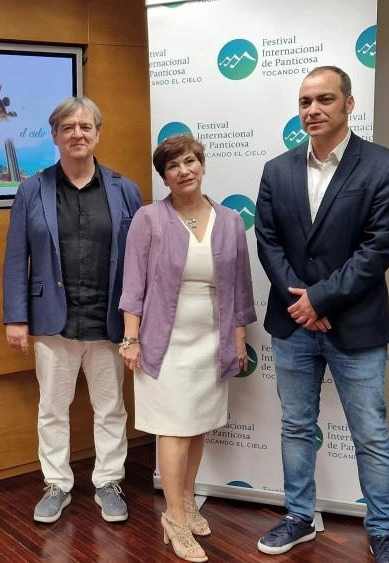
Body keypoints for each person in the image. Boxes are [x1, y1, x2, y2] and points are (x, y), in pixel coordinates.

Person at [254, 66, 389, 563]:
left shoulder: (385, 166)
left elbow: (378, 248)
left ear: (348, 104)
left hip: (356, 325)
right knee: (296, 426)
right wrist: (301, 304)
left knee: (371, 435)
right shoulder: (277, 169)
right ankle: (299, 517)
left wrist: (319, 300)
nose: (313, 110)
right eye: (305, 101)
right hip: (293, 325)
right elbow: (268, 242)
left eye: (325, 99)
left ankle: (382, 532)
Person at [3, 96, 143, 524]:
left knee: (111, 408)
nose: (77, 134)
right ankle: (57, 484)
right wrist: (16, 317)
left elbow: (139, 261)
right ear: (55, 136)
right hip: (52, 320)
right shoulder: (32, 189)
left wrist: (137, 323)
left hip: (108, 318)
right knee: (52, 408)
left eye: (85, 127)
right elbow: (16, 256)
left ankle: (109, 481)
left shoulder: (125, 189)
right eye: (68, 128)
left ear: (97, 133)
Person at [119, 134, 256, 562]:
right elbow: (133, 283)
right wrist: (131, 337)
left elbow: (240, 286)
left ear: (202, 165)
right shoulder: (149, 219)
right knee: (174, 429)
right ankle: (174, 518)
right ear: (164, 176)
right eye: (173, 166)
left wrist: (238, 338)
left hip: (211, 341)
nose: (184, 170)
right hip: (165, 344)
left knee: (196, 427)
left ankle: (188, 501)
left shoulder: (229, 220)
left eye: (190, 161)